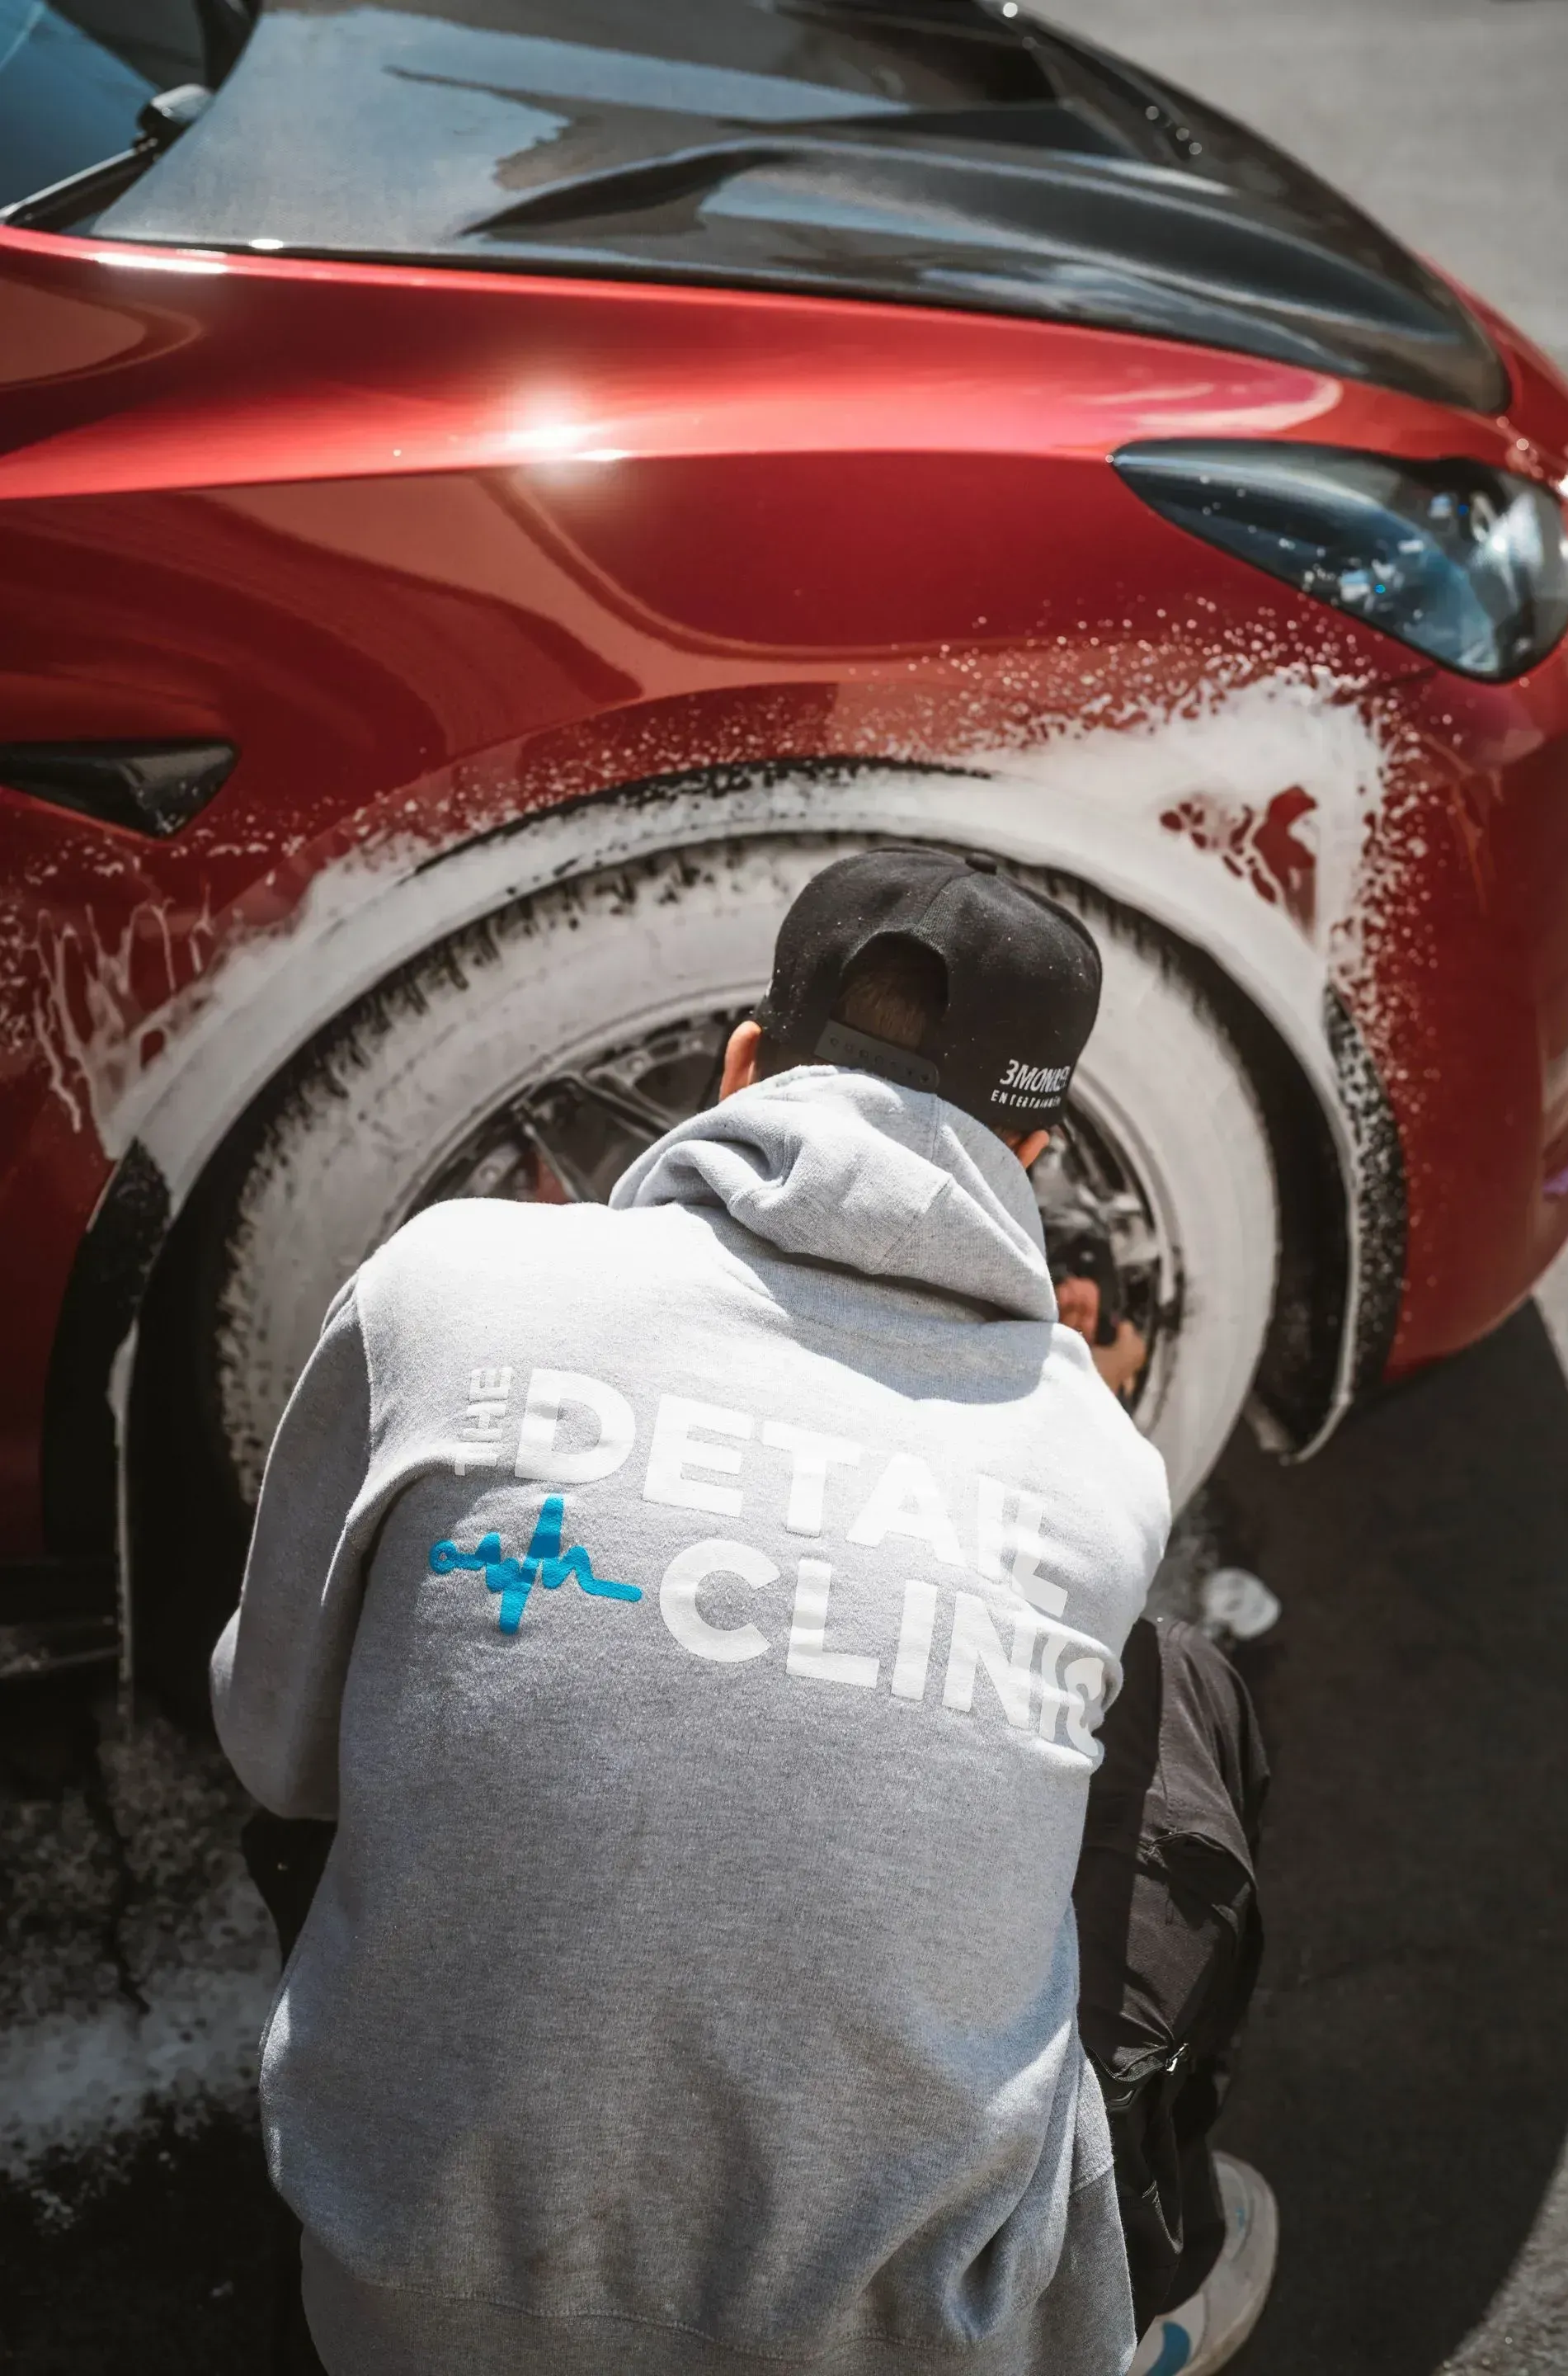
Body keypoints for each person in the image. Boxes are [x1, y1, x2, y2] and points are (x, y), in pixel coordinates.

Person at [214, 846, 1274, 2376]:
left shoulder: (447, 1285)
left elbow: (278, 1759)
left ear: (741, 1066)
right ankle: (1135, 2297)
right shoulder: (1094, 1461)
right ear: (1033, 1159)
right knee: (1182, 1692)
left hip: (390, 2298)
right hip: (910, 2346)